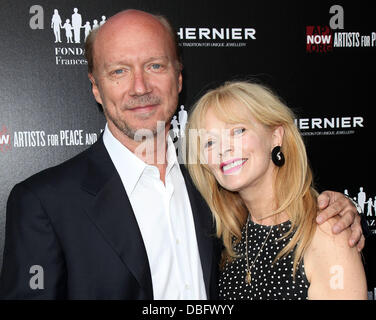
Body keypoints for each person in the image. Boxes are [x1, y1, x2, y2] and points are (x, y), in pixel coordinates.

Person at [0, 9, 363, 300]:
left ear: (178, 79)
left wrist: (336, 209)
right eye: (119, 71)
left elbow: (282, 217)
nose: (139, 87)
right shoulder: (44, 202)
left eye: (155, 66)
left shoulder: (215, 181)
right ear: (96, 88)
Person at [186, 81, 367, 299]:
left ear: (276, 136)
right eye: (209, 142)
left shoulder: (326, 232)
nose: (224, 148)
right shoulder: (227, 237)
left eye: (238, 130)